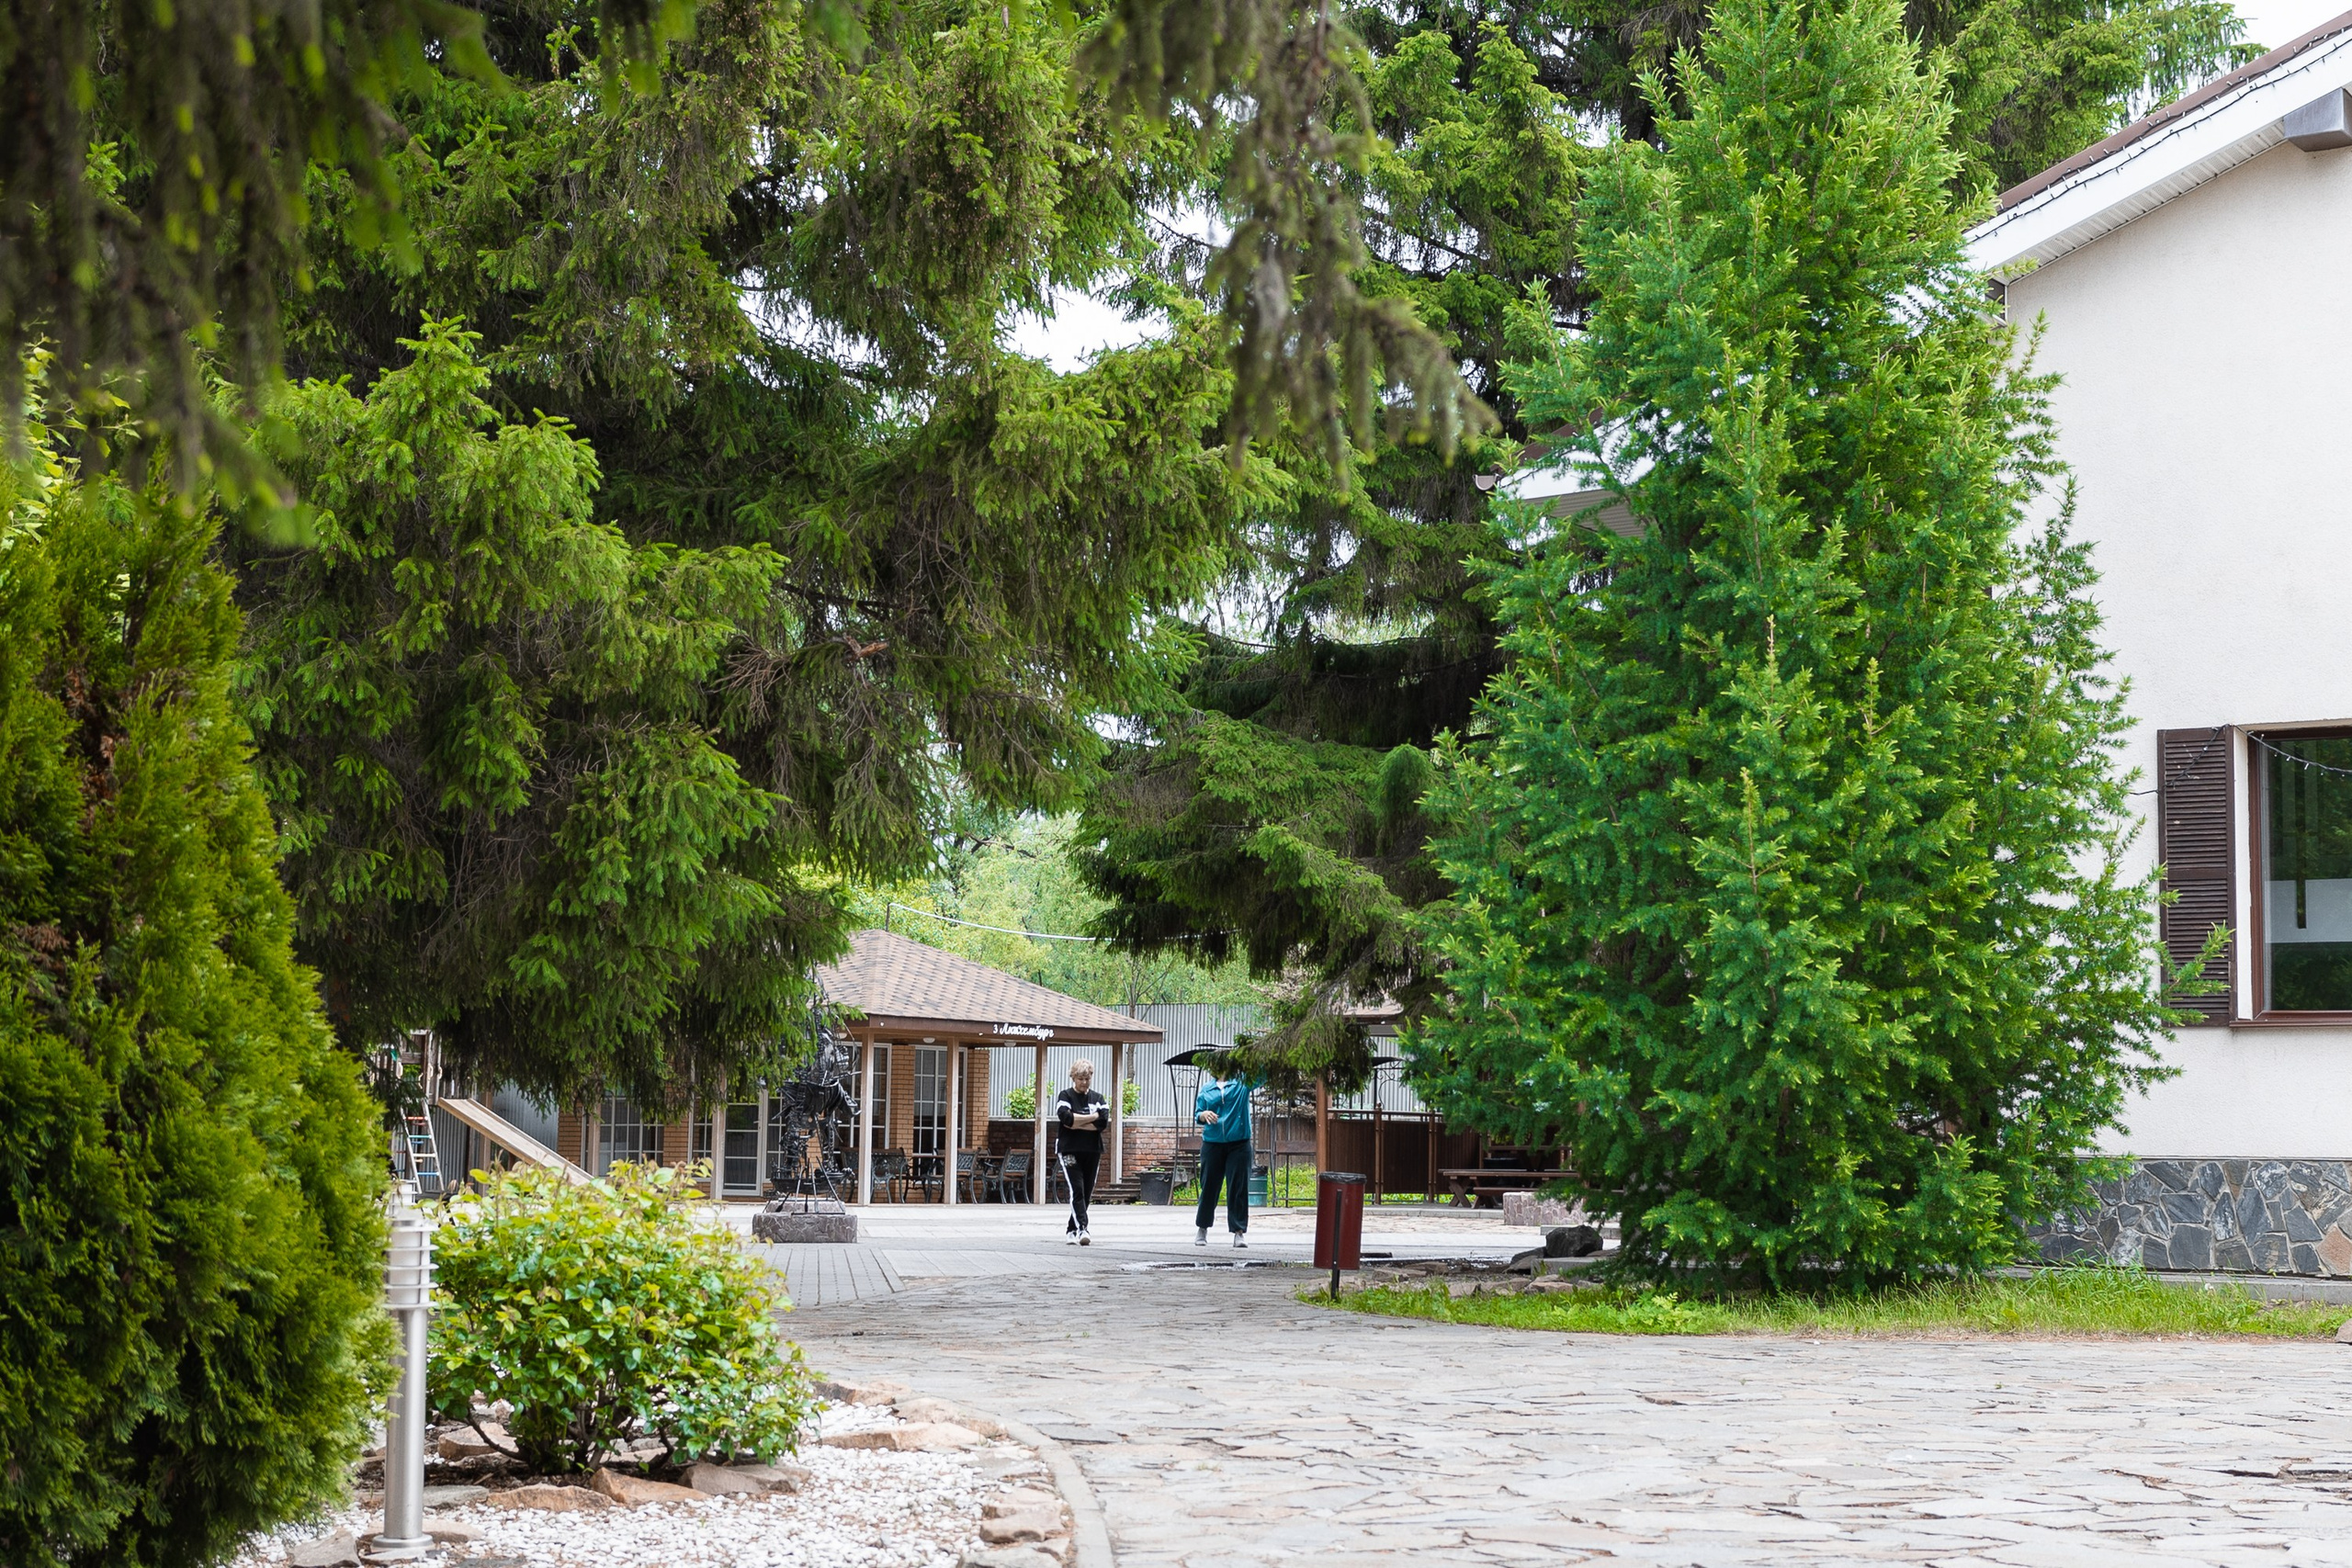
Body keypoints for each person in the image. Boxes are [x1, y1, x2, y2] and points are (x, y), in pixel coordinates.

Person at [1193, 1057, 1252, 1247]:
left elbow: (1262, 1075)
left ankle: (1239, 1232)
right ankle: (1202, 1229)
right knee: (1209, 1186)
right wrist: (1203, 1115)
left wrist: (1254, 1053)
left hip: (1239, 1144)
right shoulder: (1206, 1089)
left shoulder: (1242, 1084)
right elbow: (1198, 1113)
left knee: (1238, 1188)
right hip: (1212, 1143)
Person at [1055, 1059, 1110, 1245]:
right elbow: (1066, 1119)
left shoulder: (1098, 1098)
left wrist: (1078, 1122)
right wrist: (1091, 1118)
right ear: (1073, 1078)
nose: (1084, 1082)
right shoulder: (1065, 1096)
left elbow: (1102, 1123)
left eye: (1087, 1078)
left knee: (1086, 1191)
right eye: (1080, 1078)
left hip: (1092, 1150)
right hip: (1069, 1149)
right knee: (1076, 1189)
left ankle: (1071, 1229)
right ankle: (1083, 1229)